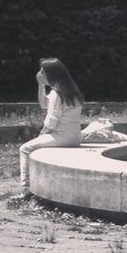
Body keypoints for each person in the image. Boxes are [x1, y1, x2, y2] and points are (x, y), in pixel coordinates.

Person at [19, 57, 84, 190]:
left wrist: (40, 136)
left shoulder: (56, 94)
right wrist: (41, 85)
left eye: (42, 72)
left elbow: (51, 122)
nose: (39, 74)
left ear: (50, 74)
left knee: (24, 149)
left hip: (61, 137)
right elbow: (44, 104)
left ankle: (25, 186)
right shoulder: (72, 92)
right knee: (36, 145)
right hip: (75, 138)